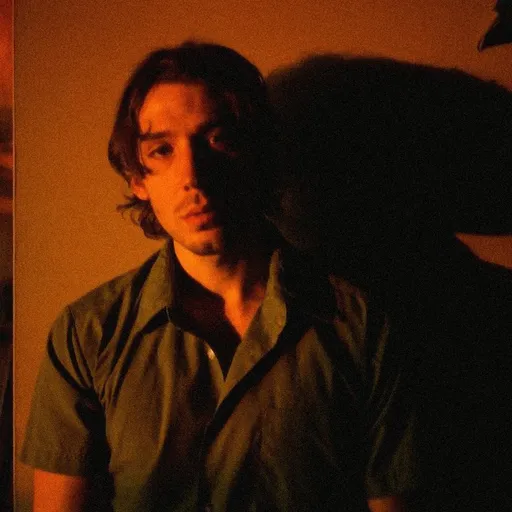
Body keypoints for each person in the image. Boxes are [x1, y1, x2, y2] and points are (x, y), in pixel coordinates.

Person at [21, 42, 416, 511]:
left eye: (218, 140)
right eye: (162, 150)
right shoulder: (87, 335)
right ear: (137, 178)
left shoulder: (362, 328)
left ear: (259, 155)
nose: (193, 175)